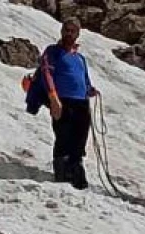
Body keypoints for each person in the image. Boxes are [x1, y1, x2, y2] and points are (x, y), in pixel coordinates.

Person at [39, 18, 99, 189]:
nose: (69, 33)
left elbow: (84, 79)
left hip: (81, 102)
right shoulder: (52, 51)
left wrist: (89, 89)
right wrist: (53, 97)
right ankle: (62, 173)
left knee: (79, 138)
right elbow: (46, 73)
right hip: (62, 100)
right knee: (63, 136)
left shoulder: (80, 58)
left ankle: (76, 171)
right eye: (66, 29)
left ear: (78, 34)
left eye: (73, 31)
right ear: (61, 31)